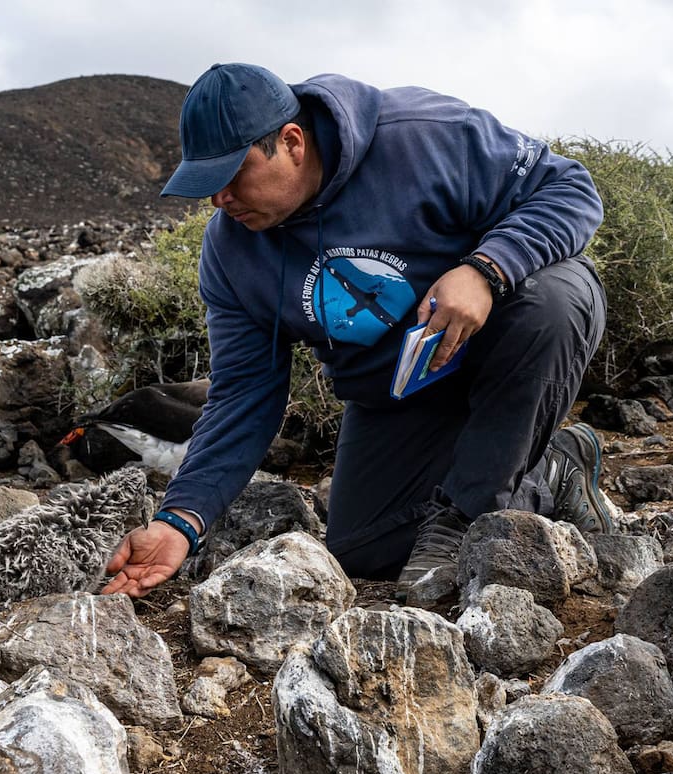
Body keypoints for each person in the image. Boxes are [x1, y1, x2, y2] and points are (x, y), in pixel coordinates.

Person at [102, 62, 611, 601]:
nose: (219, 200)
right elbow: (244, 394)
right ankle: (552, 466)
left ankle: (467, 517)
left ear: (291, 142)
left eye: (232, 177)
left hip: (506, 342)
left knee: (550, 303)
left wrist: (487, 268)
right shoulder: (231, 253)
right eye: (208, 185)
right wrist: (181, 520)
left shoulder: (423, 136)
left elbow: (570, 189)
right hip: (403, 392)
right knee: (363, 551)